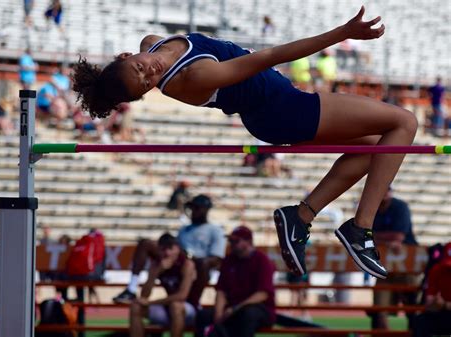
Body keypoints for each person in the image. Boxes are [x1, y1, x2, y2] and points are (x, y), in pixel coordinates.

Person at [72, 6, 418, 280]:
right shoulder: (194, 76)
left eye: (141, 69)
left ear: (126, 55)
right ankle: (361, 227)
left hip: (280, 103)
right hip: (282, 110)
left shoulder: (152, 43)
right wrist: (344, 34)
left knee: (375, 146)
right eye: (146, 83)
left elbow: (154, 46)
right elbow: (271, 57)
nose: (152, 72)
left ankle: (301, 216)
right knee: (404, 122)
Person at [113, 194, 225, 307]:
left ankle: (194, 301)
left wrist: (191, 258)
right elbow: (176, 249)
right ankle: (131, 288)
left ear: (206, 210)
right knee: (145, 243)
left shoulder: (215, 230)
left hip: (198, 267)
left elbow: (216, 259)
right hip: (178, 262)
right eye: (192, 208)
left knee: (201, 263)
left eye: (197, 208)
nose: (193, 211)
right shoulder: (184, 229)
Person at [195, 226, 276, 337]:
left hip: (258, 308)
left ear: (249, 242)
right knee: (204, 315)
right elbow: (221, 290)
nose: (232, 244)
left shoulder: (262, 260)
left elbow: (262, 294)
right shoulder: (228, 260)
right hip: (232, 308)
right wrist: (218, 313)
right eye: (231, 241)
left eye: (236, 241)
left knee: (248, 314)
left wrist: (235, 309)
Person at [369, 186, 419, 330]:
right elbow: (367, 234)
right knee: (380, 308)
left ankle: (414, 330)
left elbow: (398, 237)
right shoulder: (377, 208)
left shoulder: (399, 207)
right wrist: (387, 241)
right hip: (387, 263)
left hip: (405, 264)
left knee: (412, 304)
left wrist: (376, 238)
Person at [130, 233, 197, 337]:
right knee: (136, 306)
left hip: (189, 309)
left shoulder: (186, 264)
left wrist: (151, 302)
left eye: (170, 248)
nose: (167, 253)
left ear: (178, 248)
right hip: (168, 308)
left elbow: (182, 296)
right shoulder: (157, 264)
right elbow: (144, 295)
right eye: (163, 249)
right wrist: (156, 272)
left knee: (176, 306)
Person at [413, 242, 451, 337]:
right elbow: (429, 303)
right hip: (443, 313)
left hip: (446, 310)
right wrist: (436, 303)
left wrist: (445, 304)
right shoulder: (436, 270)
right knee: (421, 321)